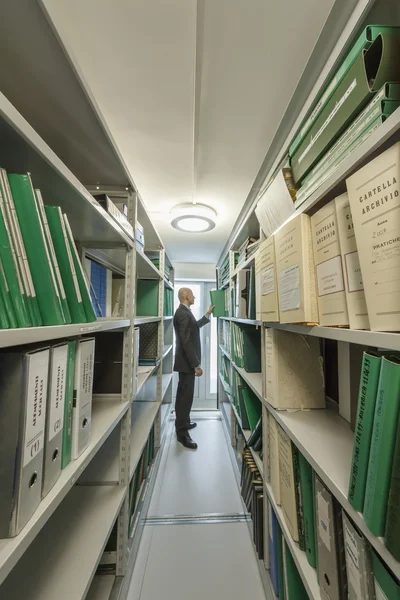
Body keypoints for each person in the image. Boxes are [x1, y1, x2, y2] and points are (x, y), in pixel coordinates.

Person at [173, 287, 213, 449]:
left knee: (184, 395)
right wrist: (196, 364)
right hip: (186, 363)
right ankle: (182, 434)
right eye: (193, 294)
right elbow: (186, 342)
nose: (195, 296)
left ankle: (184, 422)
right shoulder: (182, 313)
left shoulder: (184, 312)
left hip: (185, 362)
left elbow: (194, 327)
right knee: (185, 398)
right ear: (187, 296)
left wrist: (207, 314)